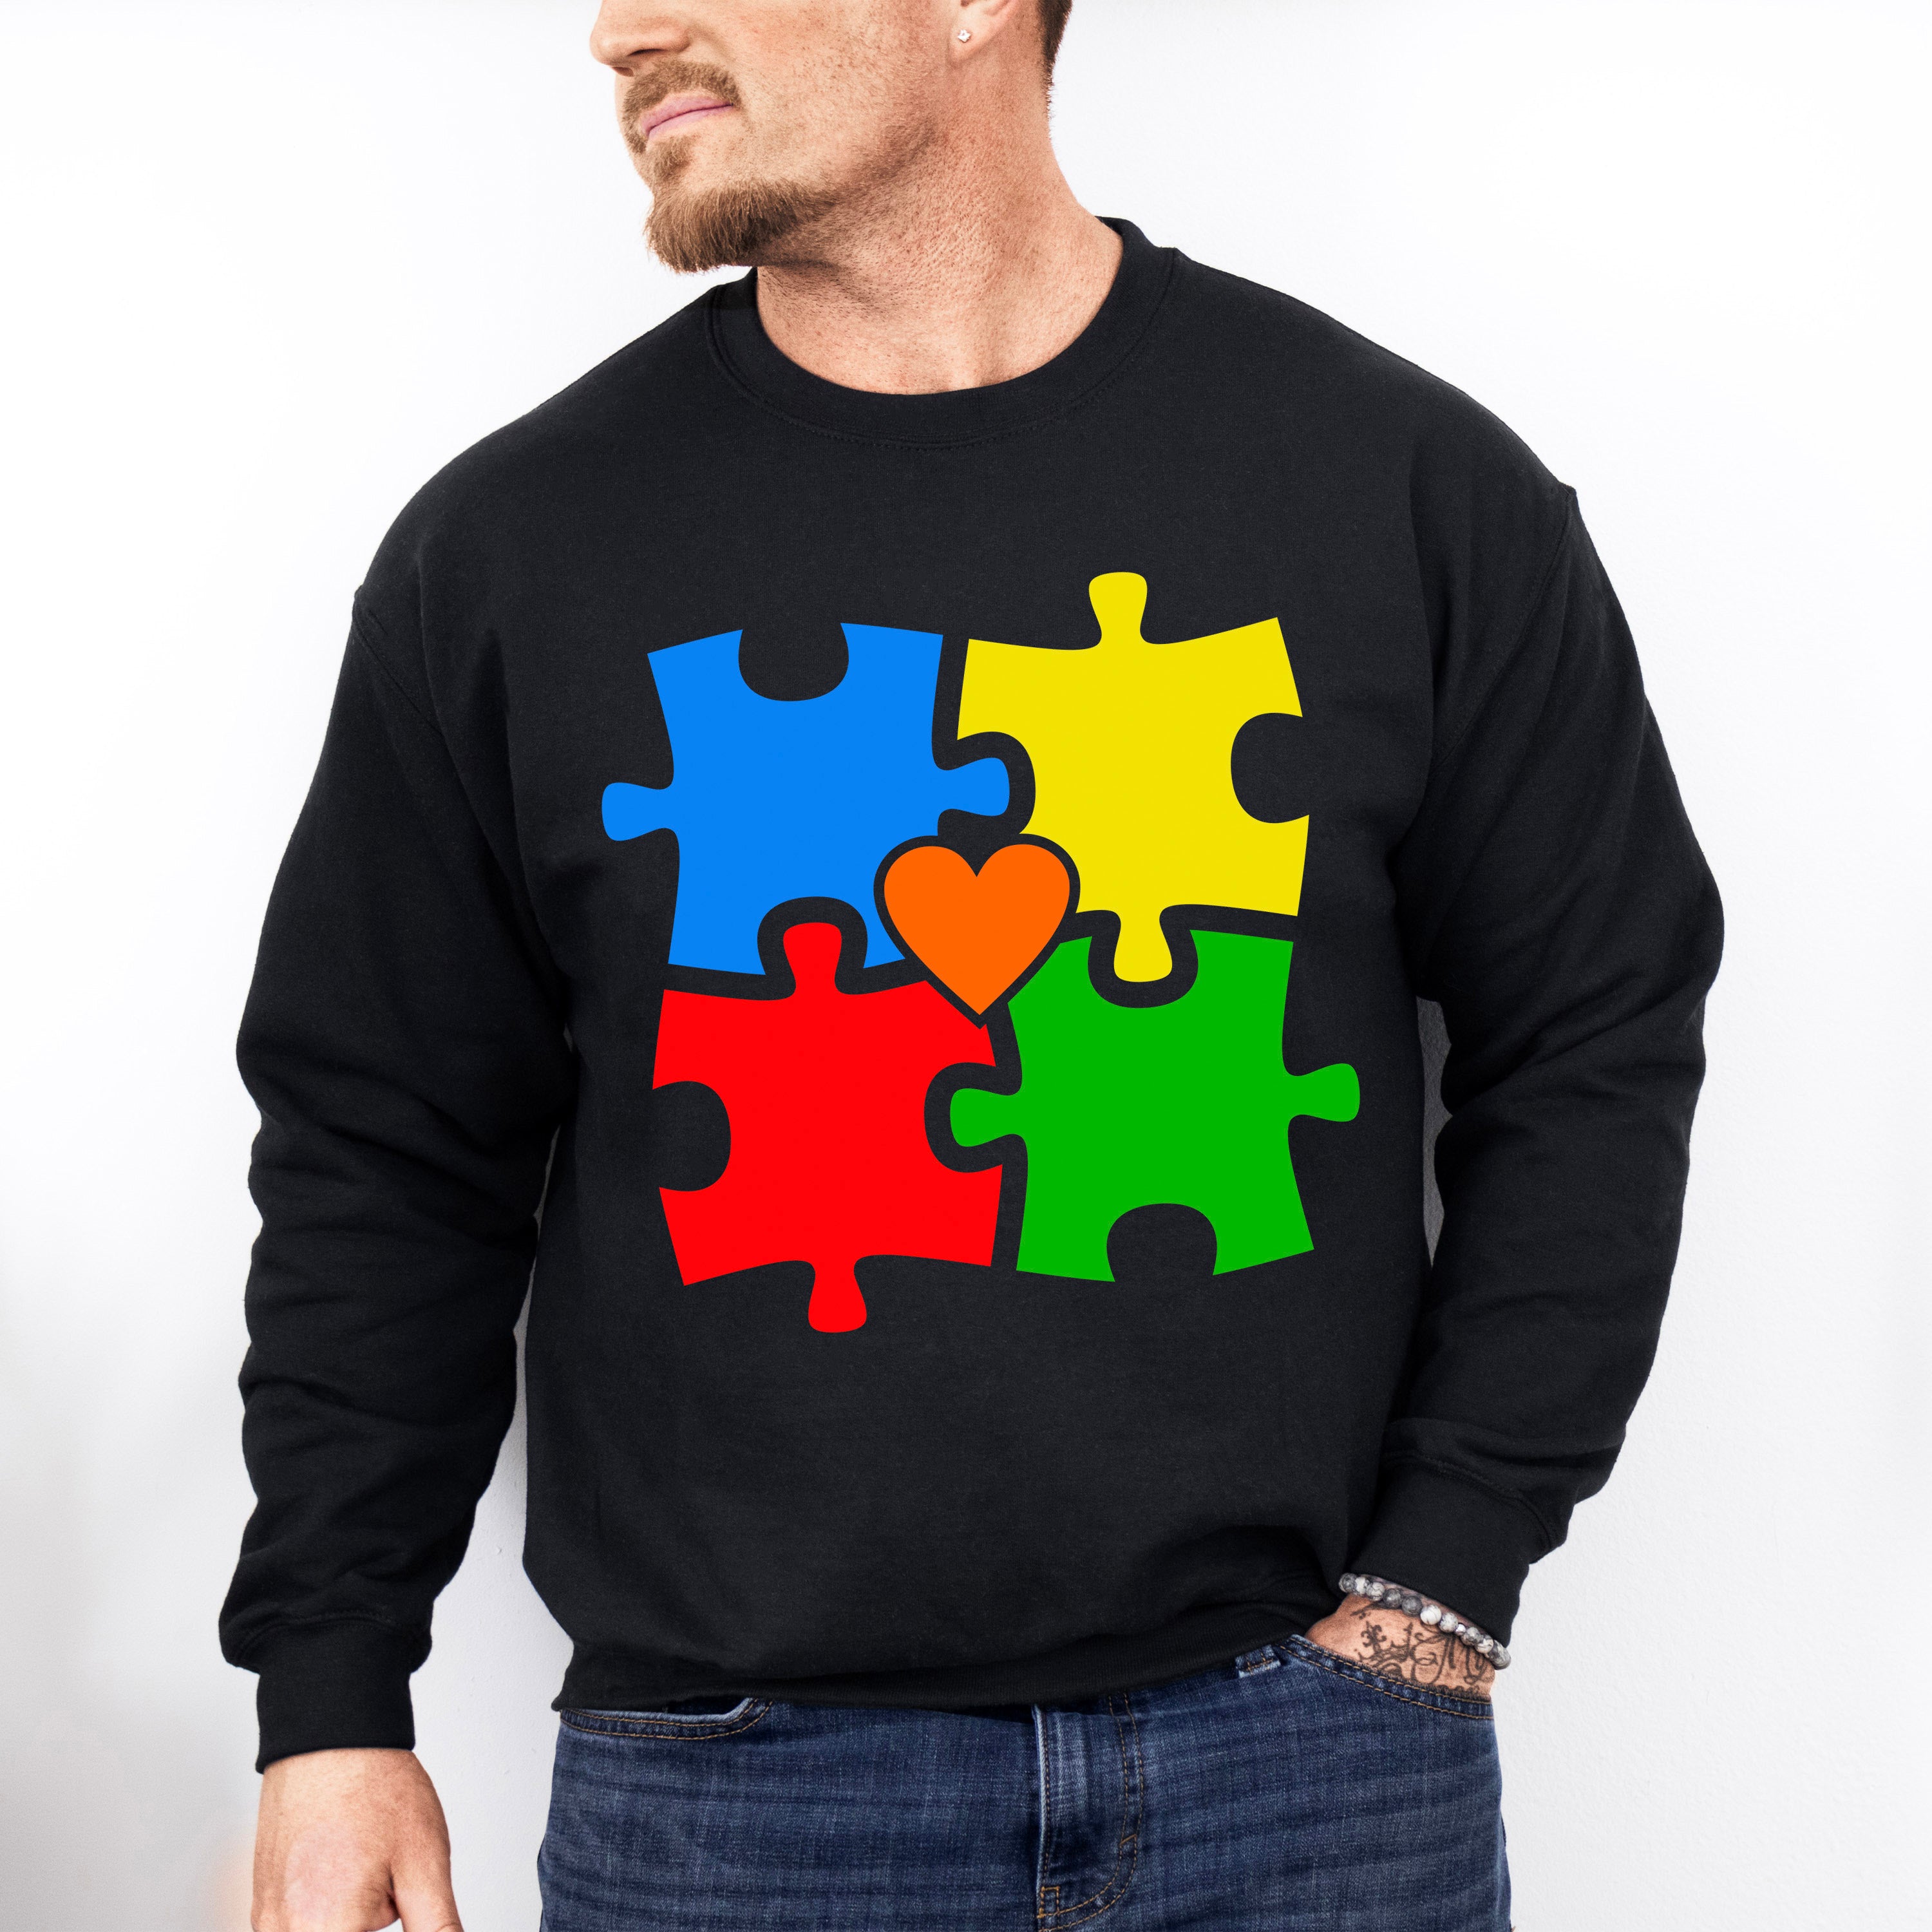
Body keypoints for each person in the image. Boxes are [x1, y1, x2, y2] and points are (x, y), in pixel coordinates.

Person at [225, 1, 1723, 1927]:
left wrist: (1447, 1577)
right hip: (735, 1809)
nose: (617, 31)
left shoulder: (1407, 487)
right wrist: (329, 1701)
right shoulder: (509, 553)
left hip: (1315, 1774)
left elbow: (1597, 1032)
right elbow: (382, 1149)